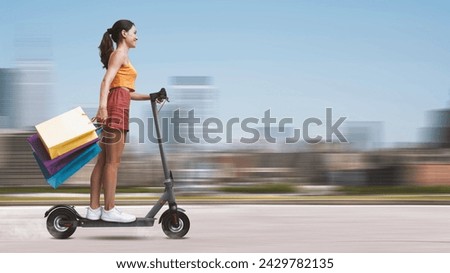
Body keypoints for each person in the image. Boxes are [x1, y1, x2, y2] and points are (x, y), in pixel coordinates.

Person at [86, 19, 152, 223]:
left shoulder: (122, 56)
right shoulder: (120, 54)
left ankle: (94, 209)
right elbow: (106, 81)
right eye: (134, 32)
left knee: (104, 161)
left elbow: (124, 91)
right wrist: (102, 107)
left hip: (118, 102)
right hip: (115, 107)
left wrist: (152, 96)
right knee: (113, 162)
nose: (137, 36)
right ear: (124, 34)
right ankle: (109, 210)